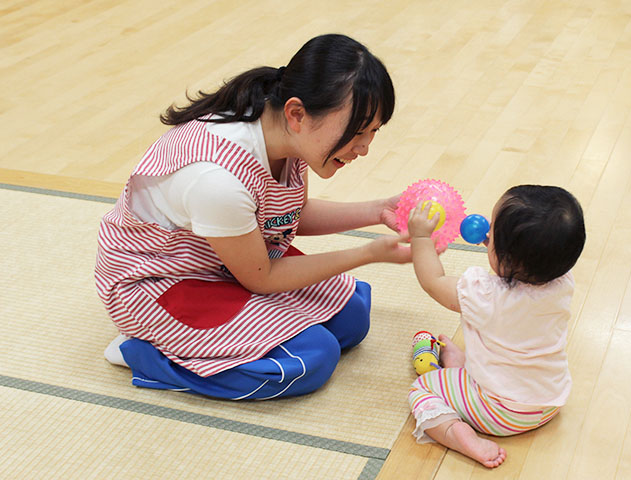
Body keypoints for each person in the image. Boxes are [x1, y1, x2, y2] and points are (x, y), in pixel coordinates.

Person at [95, 34, 411, 400]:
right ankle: (148, 354)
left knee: (352, 318)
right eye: (357, 132)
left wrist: (378, 210)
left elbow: (290, 213)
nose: (364, 149)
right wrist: (369, 253)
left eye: (372, 132)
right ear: (297, 114)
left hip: (227, 257)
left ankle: (222, 339)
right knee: (311, 359)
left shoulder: (284, 131)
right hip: (160, 280)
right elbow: (263, 277)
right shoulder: (219, 180)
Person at [406, 185, 586, 468]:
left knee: (422, 389)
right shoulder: (562, 282)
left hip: (500, 410)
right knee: (507, 345)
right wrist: (501, 252)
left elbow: (434, 281)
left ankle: (461, 436)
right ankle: (465, 369)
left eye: (493, 235)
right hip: (550, 400)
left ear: (505, 257)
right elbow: (524, 268)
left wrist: (420, 237)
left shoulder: (485, 296)